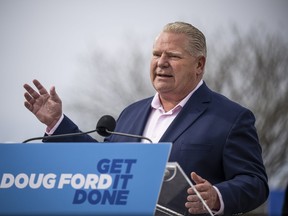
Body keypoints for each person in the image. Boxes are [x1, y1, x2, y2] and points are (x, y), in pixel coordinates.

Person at [23, 21, 269, 215]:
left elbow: (255, 182)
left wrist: (217, 196)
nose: (161, 62)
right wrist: (56, 123)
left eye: (173, 55)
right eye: (156, 54)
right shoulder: (131, 113)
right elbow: (100, 166)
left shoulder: (230, 118)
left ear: (199, 64)